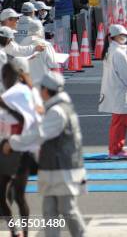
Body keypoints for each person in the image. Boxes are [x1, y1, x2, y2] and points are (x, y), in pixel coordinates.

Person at [4, 72, 87, 237]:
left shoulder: (57, 111)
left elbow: (39, 133)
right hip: (53, 168)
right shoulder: (55, 108)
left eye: (41, 89)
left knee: (67, 210)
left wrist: (12, 143)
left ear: (47, 91)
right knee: (49, 211)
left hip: (64, 170)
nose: (40, 92)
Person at [0, 58, 43, 237]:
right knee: (18, 195)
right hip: (24, 149)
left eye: (6, 75)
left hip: (11, 148)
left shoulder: (14, 94)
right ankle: (21, 232)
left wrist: (4, 107)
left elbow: (24, 118)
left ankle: (15, 231)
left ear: (15, 75)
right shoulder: (29, 91)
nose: (3, 79)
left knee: (5, 196)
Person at [99, 25, 127, 159]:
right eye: (123, 35)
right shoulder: (118, 53)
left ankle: (115, 148)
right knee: (120, 123)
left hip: (114, 90)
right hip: (120, 91)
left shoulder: (111, 50)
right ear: (115, 37)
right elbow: (126, 75)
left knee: (118, 122)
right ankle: (115, 150)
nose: (125, 37)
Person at [22, 18, 57, 85]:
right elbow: (53, 64)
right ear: (41, 30)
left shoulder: (21, 44)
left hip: (26, 83)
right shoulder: (46, 45)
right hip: (42, 83)